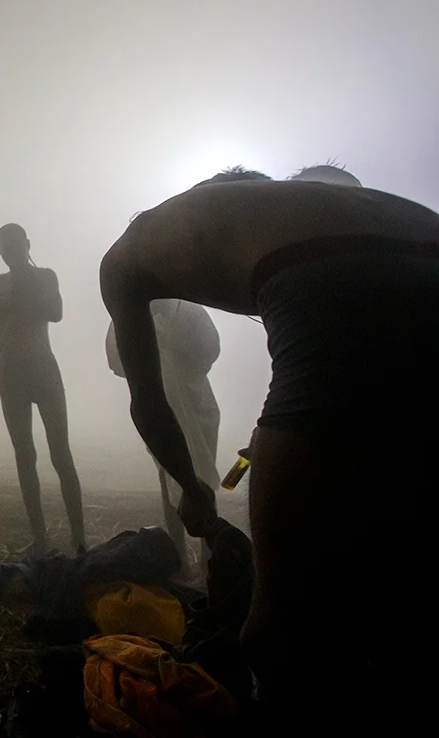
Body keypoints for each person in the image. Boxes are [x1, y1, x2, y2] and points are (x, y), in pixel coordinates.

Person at [99, 166, 439, 731]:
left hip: (329, 275)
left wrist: (192, 487)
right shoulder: (286, 208)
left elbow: (147, 402)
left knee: (276, 632)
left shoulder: (132, 255)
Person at [0, 223, 85, 554]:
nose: (10, 252)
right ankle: (40, 538)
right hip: (9, 373)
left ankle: (79, 536)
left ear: (27, 244)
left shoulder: (45, 277)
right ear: (0, 251)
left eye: (14, 245)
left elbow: (56, 312)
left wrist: (1, 307)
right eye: (3, 247)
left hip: (42, 368)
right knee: (24, 455)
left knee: (60, 453)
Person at [105, 299, 220, 562]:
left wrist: (172, 343)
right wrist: (152, 351)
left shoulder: (188, 310)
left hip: (197, 403)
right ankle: (179, 556)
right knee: (168, 473)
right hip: (160, 407)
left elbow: (210, 352)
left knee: (202, 473)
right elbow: (116, 361)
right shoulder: (132, 308)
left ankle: (210, 557)